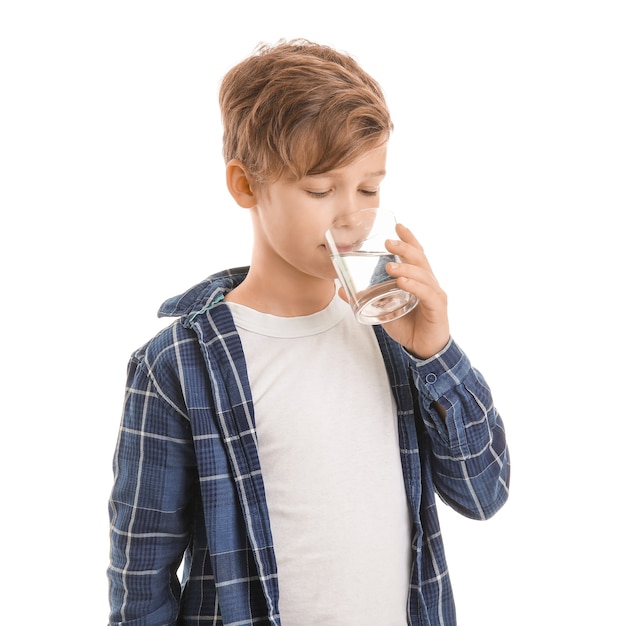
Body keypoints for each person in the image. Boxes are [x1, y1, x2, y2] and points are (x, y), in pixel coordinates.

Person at [107, 39, 510, 626]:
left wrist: (436, 354)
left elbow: (484, 494)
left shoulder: (392, 338)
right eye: (320, 191)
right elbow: (141, 577)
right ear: (246, 186)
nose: (351, 216)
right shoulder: (178, 365)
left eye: (369, 188)